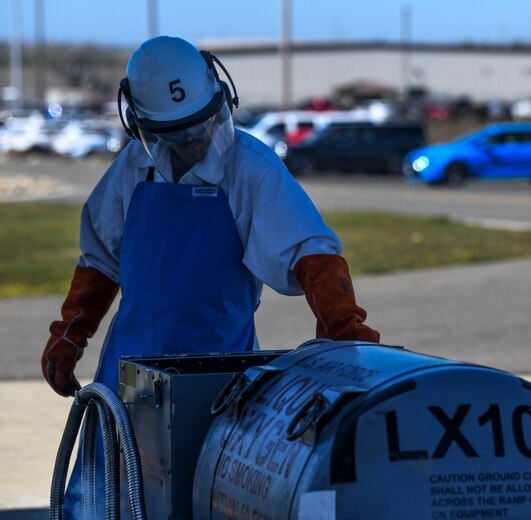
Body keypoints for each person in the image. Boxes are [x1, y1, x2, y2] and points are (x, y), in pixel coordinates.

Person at [40, 35, 379, 514]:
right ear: (143, 126)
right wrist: (70, 334)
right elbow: (100, 257)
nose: (194, 140)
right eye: (175, 135)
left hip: (216, 390)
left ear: (220, 102)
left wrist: (344, 332)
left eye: (201, 125)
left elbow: (309, 251)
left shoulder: (251, 169)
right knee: (100, 504)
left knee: (197, 504)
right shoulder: (133, 169)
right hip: (125, 384)